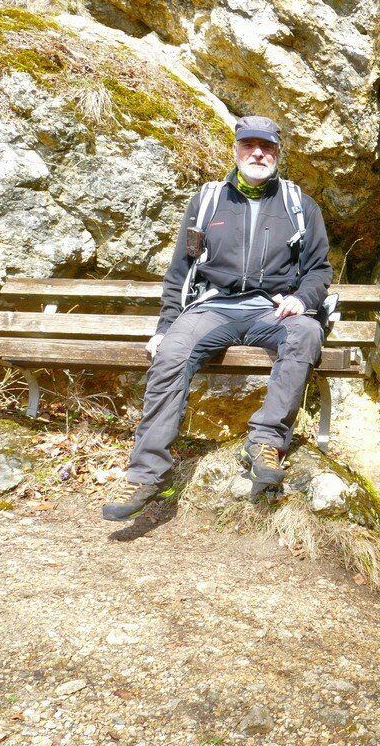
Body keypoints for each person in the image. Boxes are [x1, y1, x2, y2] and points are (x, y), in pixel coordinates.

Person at [102, 116, 333, 521]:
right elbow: (181, 271)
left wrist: (302, 299)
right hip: (213, 307)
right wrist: (165, 326)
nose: (258, 153)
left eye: (267, 147)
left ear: (278, 152)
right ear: (236, 149)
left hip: (271, 308)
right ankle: (147, 473)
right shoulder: (207, 201)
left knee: (307, 333)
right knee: (172, 351)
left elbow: (319, 270)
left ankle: (265, 441)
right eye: (249, 145)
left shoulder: (300, 204)